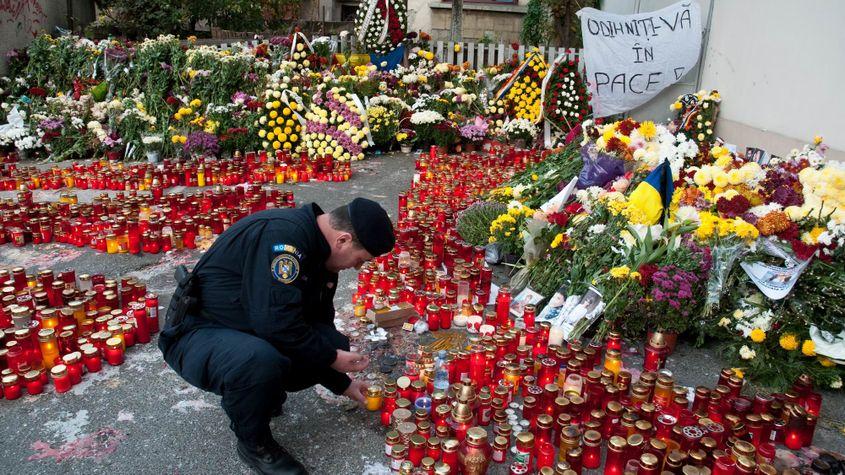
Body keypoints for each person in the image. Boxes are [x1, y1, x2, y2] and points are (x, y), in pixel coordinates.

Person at [158, 198, 395, 474]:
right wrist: (330, 358)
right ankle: (254, 444)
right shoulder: (283, 240)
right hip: (196, 334)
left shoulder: (321, 255)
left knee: (331, 341)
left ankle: (263, 393)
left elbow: (316, 323)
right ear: (342, 240)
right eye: (360, 260)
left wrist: (343, 384)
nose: (356, 268)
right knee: (259, 361)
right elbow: (275, 322)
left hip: (241, 326)